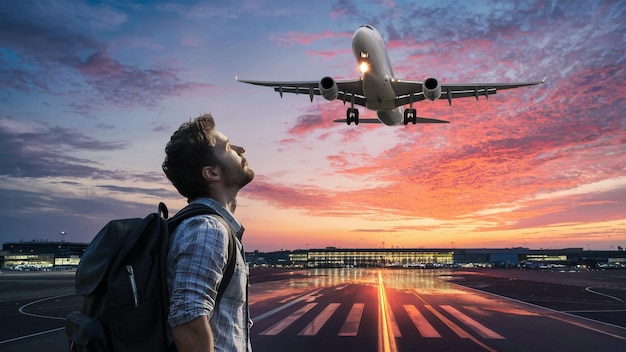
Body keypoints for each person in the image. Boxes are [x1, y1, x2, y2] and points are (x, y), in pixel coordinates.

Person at [162, 113, 254, 352]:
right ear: (212, 173)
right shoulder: (208, 229)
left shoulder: (209, 227)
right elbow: (188, 317)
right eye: (228, 147)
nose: (240, 149)